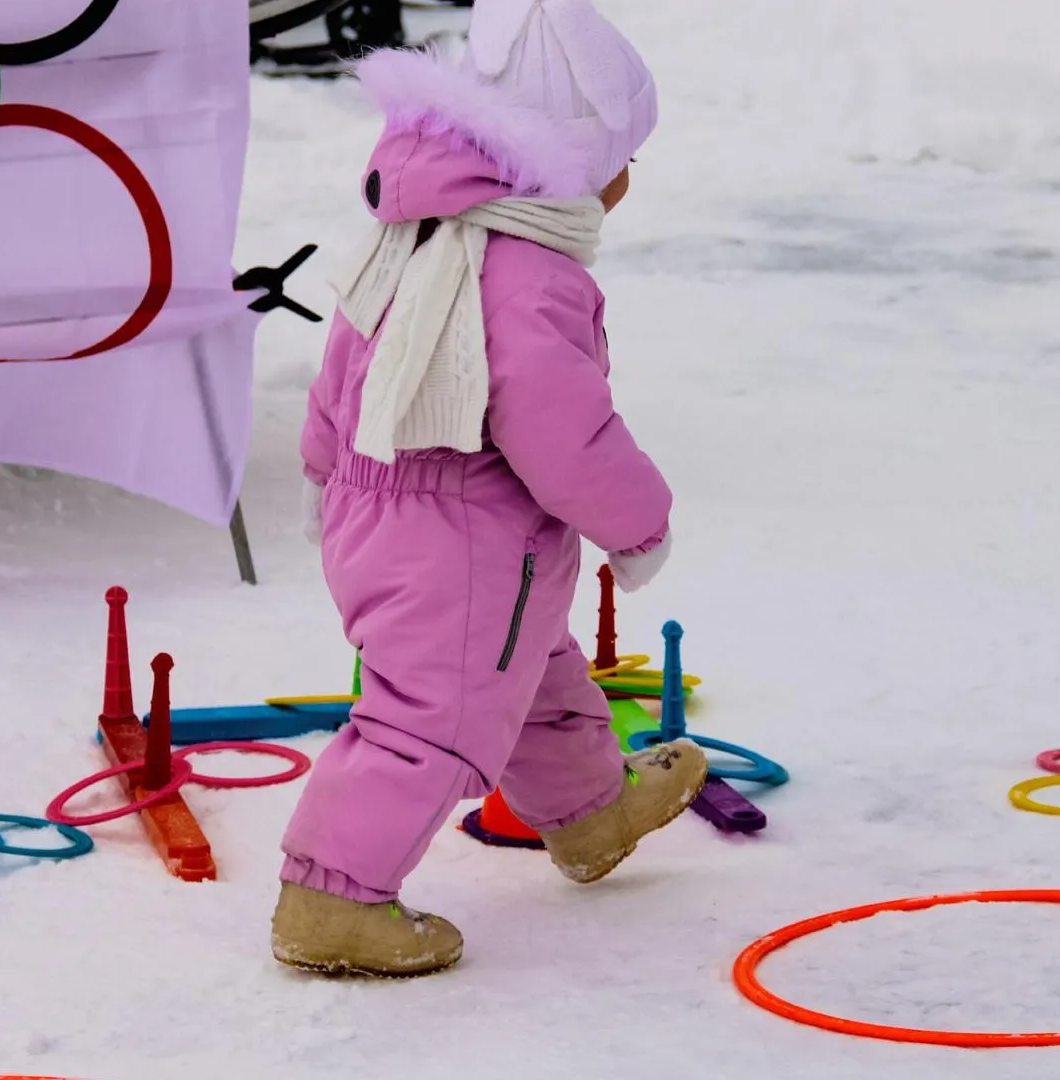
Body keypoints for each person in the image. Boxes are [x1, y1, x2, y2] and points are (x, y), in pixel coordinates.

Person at [274, 0, 707, 977]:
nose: (628, 179)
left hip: (400, 517)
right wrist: (638, 525)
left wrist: (319, 468)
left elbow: (342, 362)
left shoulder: (417, 240)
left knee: (538, 676)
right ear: (567, 162)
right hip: (465, 539)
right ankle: (331, 897)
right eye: (619, 159)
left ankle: (590, 813)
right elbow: (561, 428)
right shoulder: (527, 273)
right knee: (430, 717)